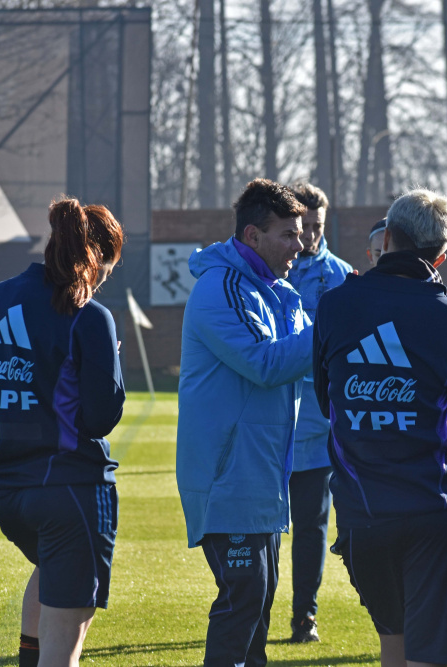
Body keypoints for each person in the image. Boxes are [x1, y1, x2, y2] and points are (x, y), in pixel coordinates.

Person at [313, 188, 447, 667]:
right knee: (431, 655)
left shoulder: (335, 305)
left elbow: (329, 401)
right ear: (442, 255)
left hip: (362, 510)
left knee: (395, 643)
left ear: (386, 237)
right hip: (434, 506)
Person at [0, 198, 125, 667]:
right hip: (71, 490)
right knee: (65, 644)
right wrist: (111, 363)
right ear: (98, 258)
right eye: (109, 268)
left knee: (50, 577)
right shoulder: (89, 314)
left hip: (11, 493)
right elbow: (99, 418)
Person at [176, 178, 312, 666]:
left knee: (259, 596)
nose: (301, 244)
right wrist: (335, 328)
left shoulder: (277, 290)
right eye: (289, 234)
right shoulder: (224, 286)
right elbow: (266, 364)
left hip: (262, 473)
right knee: (244, 597)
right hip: (228, 474)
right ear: (252, 236)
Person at [285, 182, 354, 643]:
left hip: (315, 428)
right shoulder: (270, 272)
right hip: (266, 426)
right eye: (302, 226)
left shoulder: (343, 276)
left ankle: (304, 616)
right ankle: (248, 610)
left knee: (310, 527)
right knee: (261, 529)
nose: (310, 236)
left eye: (318, 226)